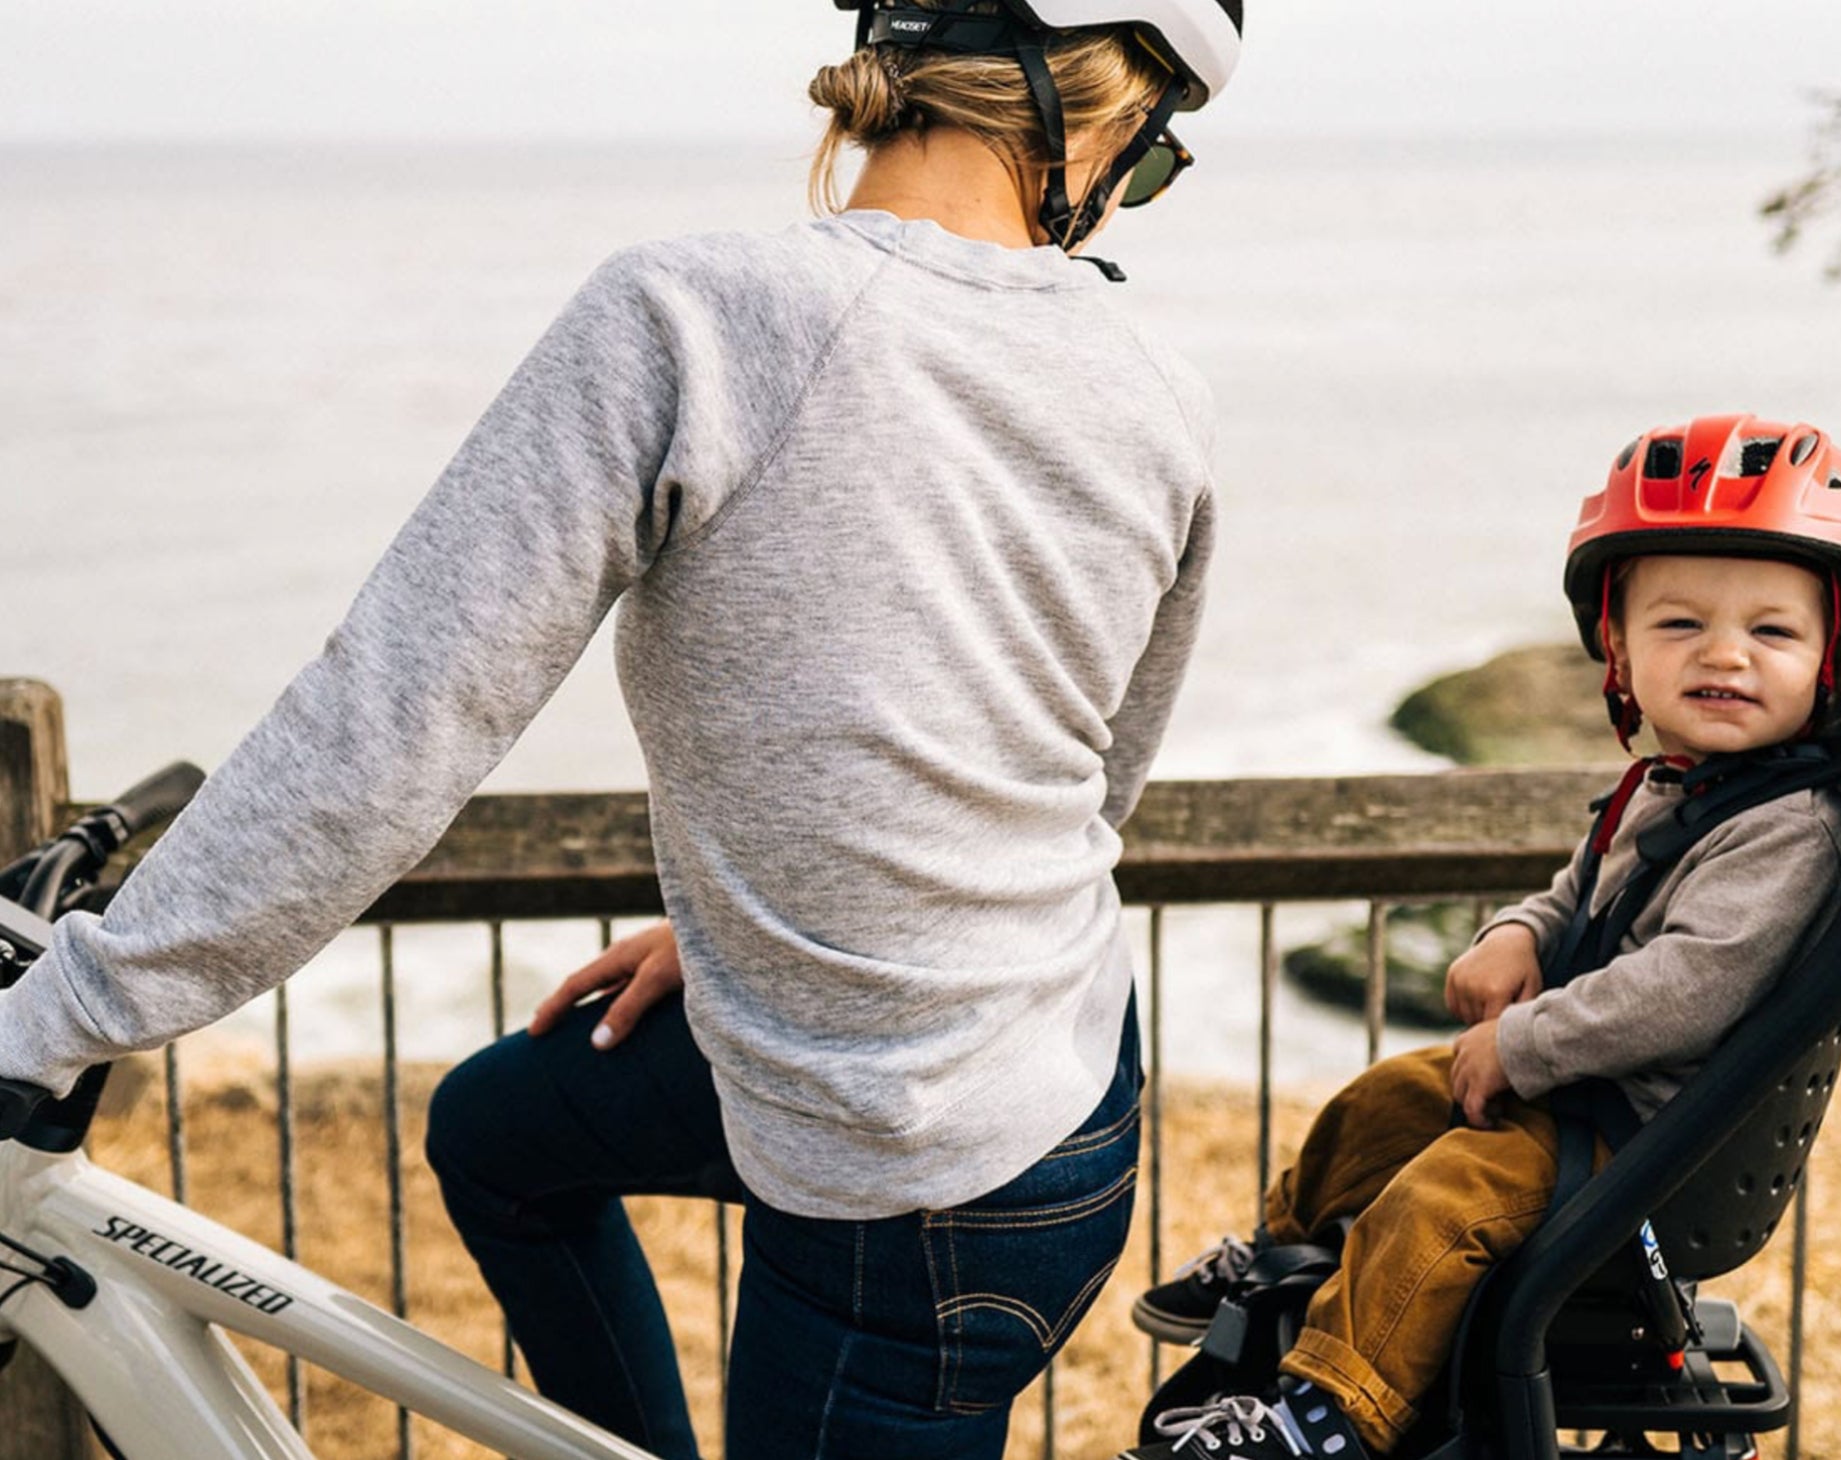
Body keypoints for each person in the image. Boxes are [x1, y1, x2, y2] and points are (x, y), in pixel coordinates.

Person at [0, 1, 1245, 1456]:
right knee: (497, 1133)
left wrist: (69, 1008)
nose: (1126, 193)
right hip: (1064, 1088)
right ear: (1086, 120)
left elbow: (398, 714)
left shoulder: (693, 311)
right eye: (1147, 163)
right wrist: (738, 915)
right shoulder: (1161, 390)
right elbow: (1092, 772)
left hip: (898, 1197)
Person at [1117, 414, 1841, 1460]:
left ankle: (1326, 1414)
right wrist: (1512, 932)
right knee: (1383, 1100)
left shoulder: (1789, 828)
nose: (1722, 652)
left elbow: (1683, 986)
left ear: (1827, 659)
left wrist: (1520, 1043)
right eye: (1679, 625)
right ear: (1617, 646)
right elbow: (1576, 893)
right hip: (1583, 1095)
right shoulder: (1674, 786)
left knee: (1443, 1198)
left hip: (1642, 1139)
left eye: (1769, 631)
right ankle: (1286, 1254)